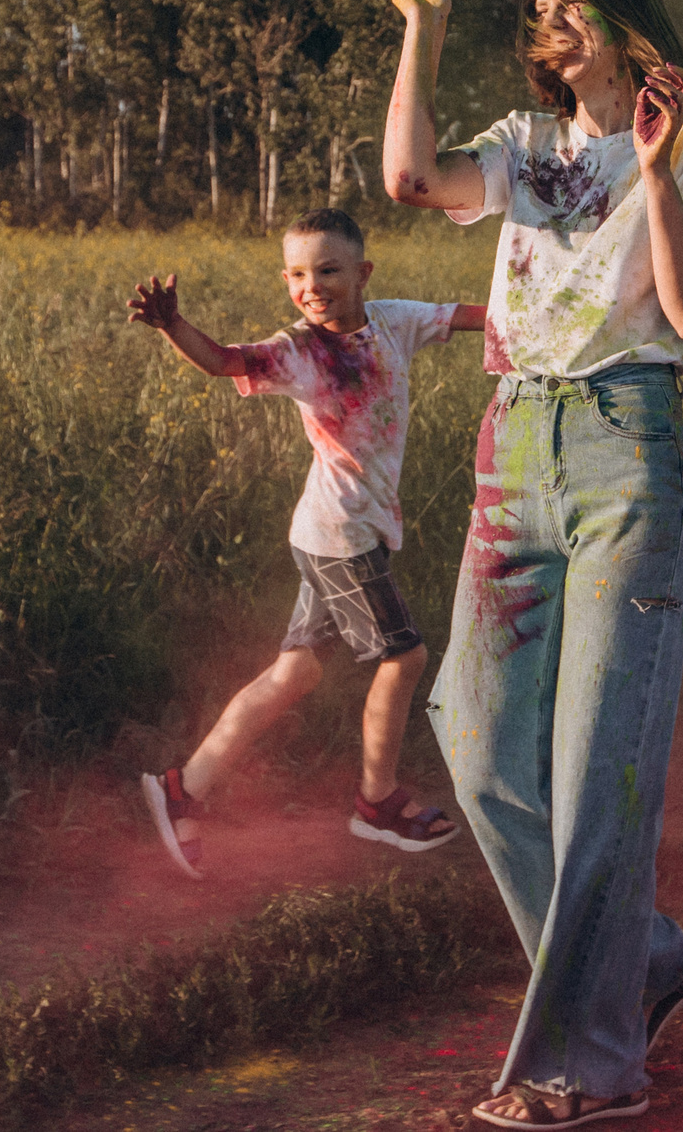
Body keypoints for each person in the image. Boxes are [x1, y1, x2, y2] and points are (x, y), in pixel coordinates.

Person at [383, 0, 683, 1129]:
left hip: (624, 447)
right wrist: (418, 28)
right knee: (477, 744)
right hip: (512, 448)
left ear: (623, 15)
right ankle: (638, 961)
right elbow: (408, 182)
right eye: (541, 5)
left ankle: (585, 1066)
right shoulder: (523, 144)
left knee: (599, 771)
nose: (554, 20)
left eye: (574, 1)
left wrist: (649, 170)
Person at [129, 206, 484, 877]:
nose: (311, 285)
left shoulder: (394, 321)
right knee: (404, 657)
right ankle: (376, 803)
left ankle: (182, 789)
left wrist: (546, 318)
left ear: (362, 273)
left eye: (327, 269)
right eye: (296, 272)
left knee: (297, 671)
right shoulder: (300, 349)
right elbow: (226, 360)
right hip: (337, 536)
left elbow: (466, 315)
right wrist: (174, 324)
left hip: (343, 531)